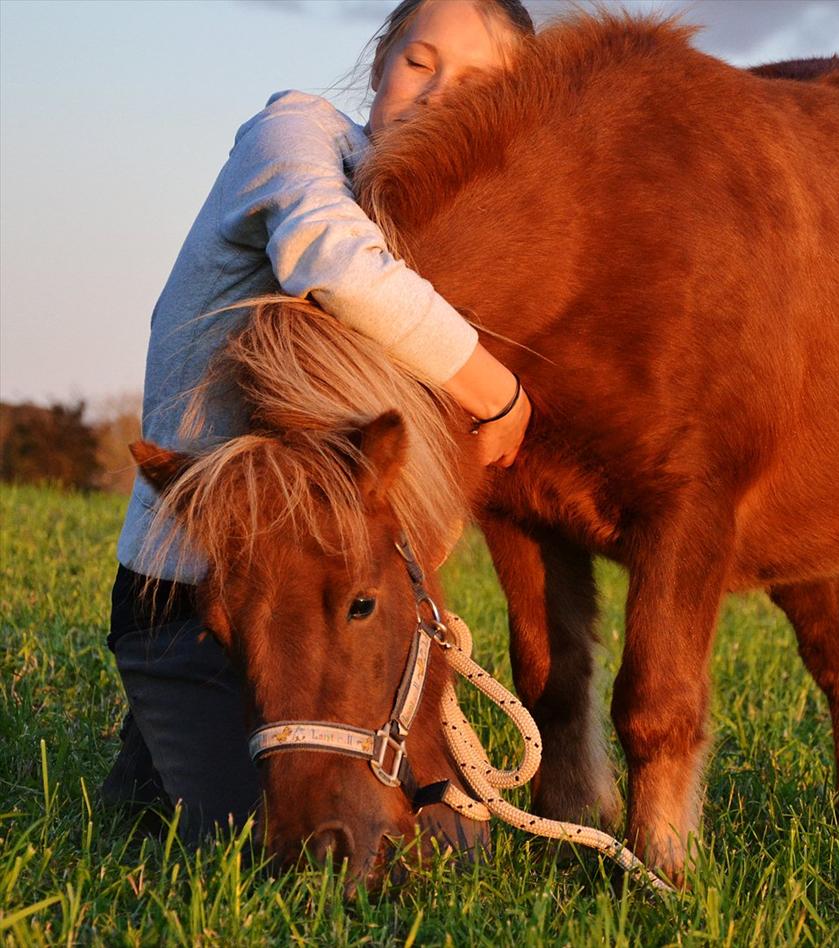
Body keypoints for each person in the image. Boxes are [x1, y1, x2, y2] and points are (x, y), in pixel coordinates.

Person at [101, 0, 536, 842]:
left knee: (453, 847)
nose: (442, 93)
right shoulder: (294, 136)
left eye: (479, 83)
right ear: (379, 65)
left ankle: (174, 752)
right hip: (198, 588)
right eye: (420, 62)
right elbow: (328, 256)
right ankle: (165, 734)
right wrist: (500, 389)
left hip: (344, 593)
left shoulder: (455, 238)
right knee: (274, 842)